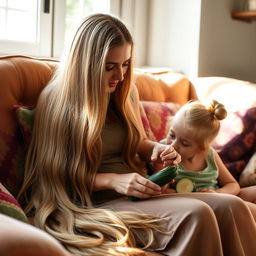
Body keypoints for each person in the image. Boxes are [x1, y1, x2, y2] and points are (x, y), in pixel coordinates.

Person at [18, 13, 256, 256]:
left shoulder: (124, 90)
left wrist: (154, 148)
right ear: (85, 64)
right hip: (93, 201)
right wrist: (113, 180)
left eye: (125, 64)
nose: (120, 76)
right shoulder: (56, 100)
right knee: (198, 215)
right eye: (109, 67)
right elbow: (53, 173)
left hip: (141, 193)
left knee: (233, 206)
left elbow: (137, 142)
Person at [153, 100, 256, 202]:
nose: (173, 145)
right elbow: (160, 191)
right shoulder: (163, 150)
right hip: (191, 206)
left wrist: (217, 193)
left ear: (201, 149)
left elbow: (233, 185)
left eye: (184, 144)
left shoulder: (210, 154)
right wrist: (167, 167)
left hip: (215, 201)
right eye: (172, 135)